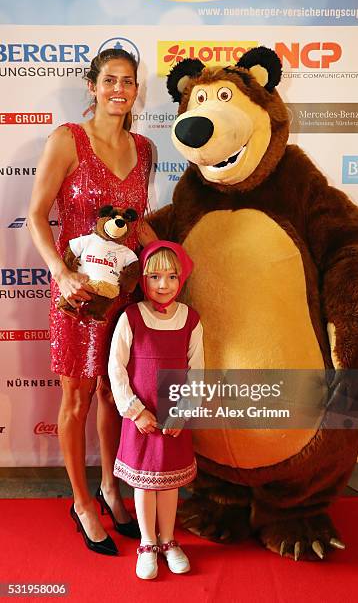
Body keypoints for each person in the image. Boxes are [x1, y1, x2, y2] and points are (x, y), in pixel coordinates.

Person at [28, 47, 157, 556]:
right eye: (110, 80)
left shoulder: (145, 148)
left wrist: (166, 256)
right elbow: (37, 215)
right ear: (93, 85)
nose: (119, 90)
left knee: (112, 393)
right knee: (76, 398)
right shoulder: (68, 139)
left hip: (122, 294)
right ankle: (81, 502)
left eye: (128, 82)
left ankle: (110, 487)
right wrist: (60, 274)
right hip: (77, 294)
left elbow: (136, 222)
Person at [108, 241, 204, 579]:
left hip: (173, 419)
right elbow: (116, 368)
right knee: (145, 483)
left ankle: (168, 540)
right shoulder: (131, 317)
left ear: (182, 279)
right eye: (154, 276)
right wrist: (135, 411)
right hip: (142, 420)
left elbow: (197, 370)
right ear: (142, 280)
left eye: (171, 276)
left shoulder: (191, 320)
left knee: (169, 483)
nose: (163, 285)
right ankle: (147, 542)